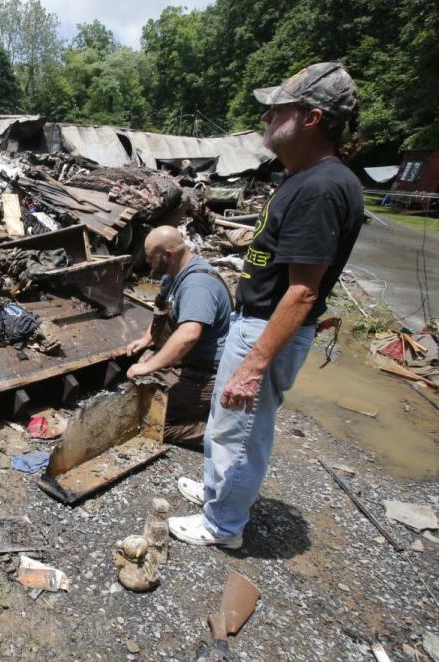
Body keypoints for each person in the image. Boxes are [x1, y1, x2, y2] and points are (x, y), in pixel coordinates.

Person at [168, 62, 364, 549]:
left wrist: (255, 365)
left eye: (278, 109)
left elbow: (303, 291)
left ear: (313, 118)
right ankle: (219, 492)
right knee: (226, 419)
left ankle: (224, 526)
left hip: (268, 329)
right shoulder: (302, 177)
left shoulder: (322, 187)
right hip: (253, 321)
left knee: (243, 429)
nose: (266, 119)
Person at [125, 226, 231, 446]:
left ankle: (222, 436)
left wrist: (148, 366)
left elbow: (188, 335)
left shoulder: (197, 285)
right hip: (186, 361)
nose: (147, 263)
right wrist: (148, 338)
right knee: (140, 391)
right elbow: (162, 311)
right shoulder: (171, 275)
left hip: (206, 369)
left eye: (150, 258)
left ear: (168, 255)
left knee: (153, 422)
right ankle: (194, 407)